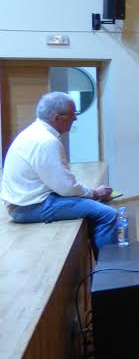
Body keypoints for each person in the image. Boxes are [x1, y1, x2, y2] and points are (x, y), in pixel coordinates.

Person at [1, 92, 117, 252]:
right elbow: (67, 188)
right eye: (73, 114)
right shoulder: (46, 141)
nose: (75, 118)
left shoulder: (33, 132)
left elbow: (62, 183)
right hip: (30, 208)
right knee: (108, 214)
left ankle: (100, 262)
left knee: (93, 204)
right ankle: (111, 271)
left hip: (22, 204)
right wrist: (95, 193)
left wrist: (89, 194)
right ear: (57, 118)